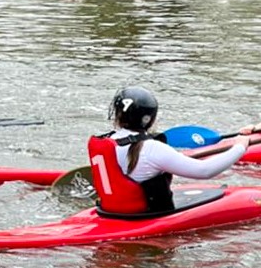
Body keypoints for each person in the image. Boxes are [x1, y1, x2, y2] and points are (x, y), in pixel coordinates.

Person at [89, 86, 257, 215]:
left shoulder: (105, 142)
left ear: (118, 115)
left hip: (110, 211)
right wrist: (240, 146)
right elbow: (205, 171)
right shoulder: (152, 149)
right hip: (144, 214)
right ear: (149, 118)